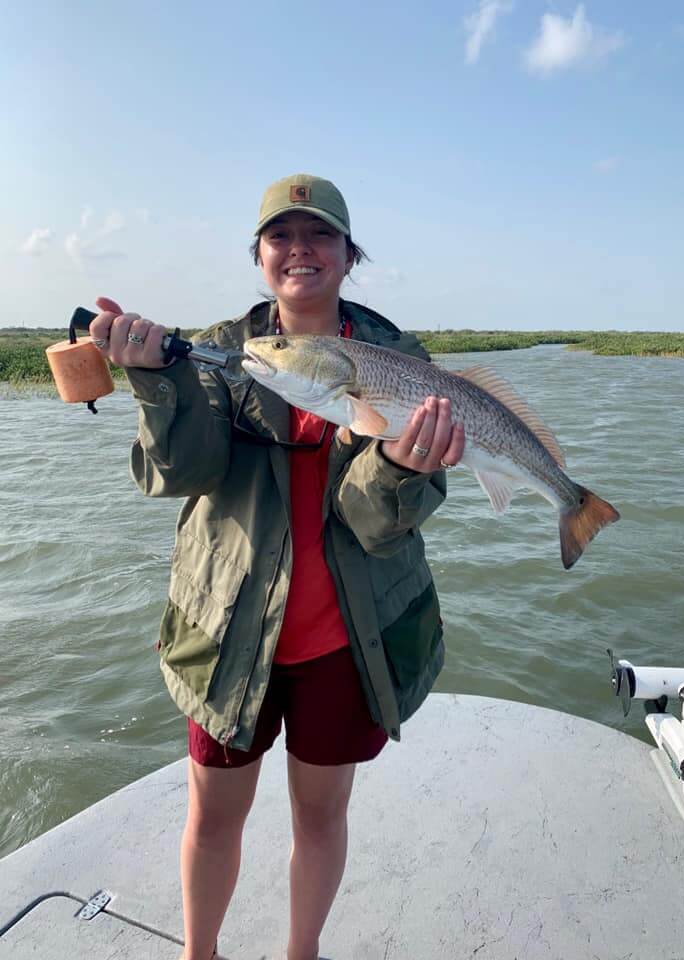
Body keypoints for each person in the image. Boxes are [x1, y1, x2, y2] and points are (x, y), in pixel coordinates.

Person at [89, 173, 465, 960]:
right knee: (212, 817)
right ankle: (201, 953)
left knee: (321, 818)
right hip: (227, 629)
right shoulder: (218, 352)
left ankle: (302, 954)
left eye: (320, 234)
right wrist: (153, 383)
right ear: (259, 256)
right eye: (282, 236)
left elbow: (376, 523)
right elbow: (180, 475)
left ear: (348, 253)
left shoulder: (399, 362)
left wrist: (396, 462)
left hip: (349, 638)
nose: (301, 250)